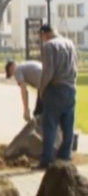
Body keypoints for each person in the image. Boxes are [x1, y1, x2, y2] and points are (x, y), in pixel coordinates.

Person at [36, 24, 78, 169]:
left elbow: (48, 71)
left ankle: (46, 160)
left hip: (55, 88)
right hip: (70, 87)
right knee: (68, 126)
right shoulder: (70, 43)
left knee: (50, 126)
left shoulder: (49, 46)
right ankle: (65, 158)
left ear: (44, 34)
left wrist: (41, 89)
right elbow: (75, 66)